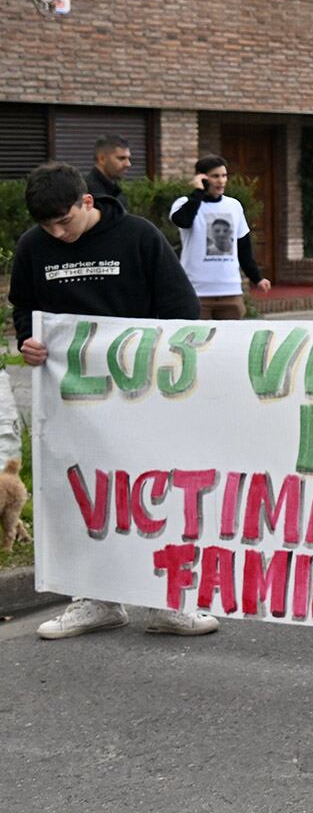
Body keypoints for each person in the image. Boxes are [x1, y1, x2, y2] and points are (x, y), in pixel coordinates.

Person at [9, 163, 219, 639]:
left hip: (141, 392)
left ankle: (167, 600)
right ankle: (96, 598)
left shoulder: (139, 237)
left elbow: (180, 307)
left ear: (87, 202)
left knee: (151, 490)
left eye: (64, 221)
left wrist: (174, 367)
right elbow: (24, 306)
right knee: (83, 492)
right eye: (47, 227)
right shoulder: (32, 247)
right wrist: (28, 339)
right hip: (73, 398)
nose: (57, 234)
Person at [169, 154, 269, 319]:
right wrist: (198, 192)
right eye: (215, 176)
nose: (221, 181)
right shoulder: (184, 203)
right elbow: (183, 221)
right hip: (196, 292)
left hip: (230, 292)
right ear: (202, 178)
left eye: (224, 176)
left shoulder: (234, 206)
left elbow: (243, 248)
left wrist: (257, 278)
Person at [86, 134, 131, 204]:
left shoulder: (116, 191)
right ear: (102, 159)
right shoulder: (88, 193)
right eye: (121, 158)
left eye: (128, 158)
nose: (128, 164)